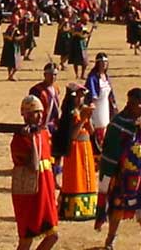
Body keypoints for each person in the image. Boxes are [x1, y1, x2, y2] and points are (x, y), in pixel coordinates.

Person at [95, 88, 141, 250]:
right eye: (139, 103)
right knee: (117, 207)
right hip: (123, 175)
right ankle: (110, 240)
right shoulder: (118, 124)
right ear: (130, 104)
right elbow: (110, 152)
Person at [10, 95, 59, 250]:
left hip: (45, 193)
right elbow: (33, 166)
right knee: (26, 239)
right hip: (29, 195)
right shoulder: (19, 139)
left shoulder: (44, 133)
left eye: (39, 112)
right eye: (33, 113)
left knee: (53, 235)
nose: (38, 117)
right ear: (25, 115)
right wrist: (31, 139)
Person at [54, 84, 96, 222]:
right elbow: (72, 135)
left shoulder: (82, 110)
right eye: (78, 95)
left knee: (87, 176)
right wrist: (83, 119)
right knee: (76, 176)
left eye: (82, 95)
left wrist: (88, 119)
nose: (81, 98)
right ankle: (73, 209)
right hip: (75, 149)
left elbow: (91, 132)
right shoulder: (69, 113)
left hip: (86, 147)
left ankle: (88, 208)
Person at [85, 53, 116, 149]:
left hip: (105, 106)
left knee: (106, 125)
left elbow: (110, 95)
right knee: (99, 126)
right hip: (96, 108)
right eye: (102, 62)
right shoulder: (93, 77)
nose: (104, 64)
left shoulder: (106, 77)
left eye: (106, 62)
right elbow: (91, 95)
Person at [28, 63, 60, 136]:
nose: (53, 77)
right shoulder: (36, 90)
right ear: (45, 75)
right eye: (50, 74)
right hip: (41, 126)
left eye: (55, 75)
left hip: (53, 126)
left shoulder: (56, 88)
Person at [0, 16, 23, 82]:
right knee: (16, 63)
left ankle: (10, 75)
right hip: (13, 47)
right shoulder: (14, 29)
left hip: (8, 46)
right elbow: (13, 38)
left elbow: (6, 35)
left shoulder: (9, 27)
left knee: (10, 63)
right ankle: (11, 76)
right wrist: (22, 37)